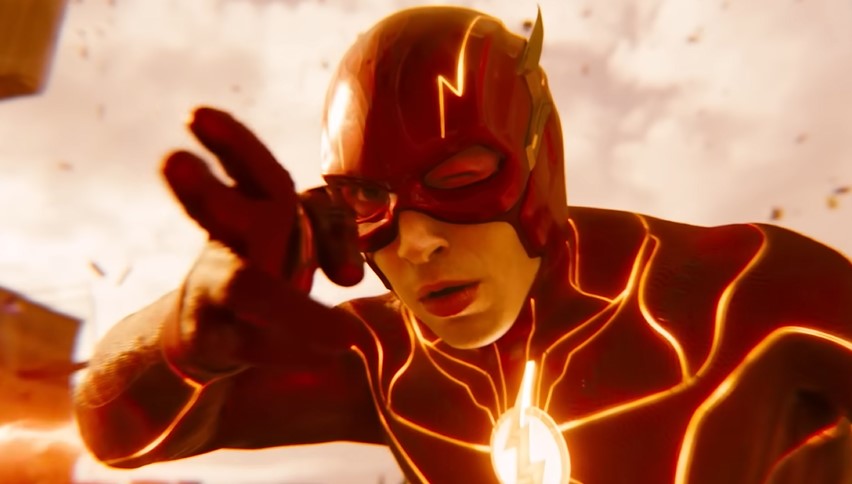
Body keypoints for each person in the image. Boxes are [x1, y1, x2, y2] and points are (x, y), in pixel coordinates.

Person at [73, 6, 852, 484]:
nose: (416, 243)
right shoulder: (384, 356)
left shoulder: (744, 292)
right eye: (368, 201)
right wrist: (184, 339)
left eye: (459, 179)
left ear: (539, 161)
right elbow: (115, 434)